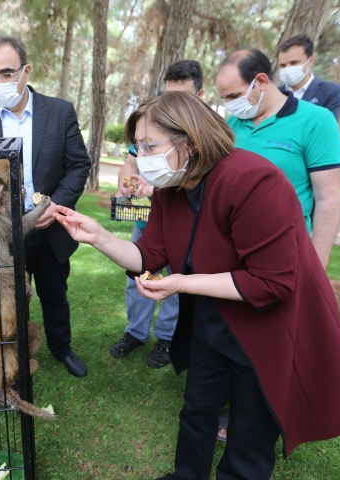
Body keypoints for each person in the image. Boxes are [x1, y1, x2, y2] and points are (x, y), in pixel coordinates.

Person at [54, 91, 340, 479]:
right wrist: (100, 237)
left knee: (250, 436)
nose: (141, 156)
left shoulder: (253, 180)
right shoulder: (174, 187)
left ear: (190, 139)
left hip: (264, 329)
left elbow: (272, 282)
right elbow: (149, 256)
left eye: (150, 145)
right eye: (137, 146)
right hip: (212, 321)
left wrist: (183, 283)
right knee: (197, 408)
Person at [0, 35, 91, 378]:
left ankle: (61, 348)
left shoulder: (59, 112)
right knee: (3, 295)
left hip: (48, 225)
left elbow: (78, 165)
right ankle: (8, 351)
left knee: (54, 293)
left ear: (26, 71)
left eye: (7, 72)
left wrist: (55, 205)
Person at [111, 60, 205, 368]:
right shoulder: (150, 126)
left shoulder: (202, 136)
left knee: (176, 282)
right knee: (138, 276)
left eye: (182, 99)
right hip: (145, 220)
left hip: (181, 226)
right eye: (167, 96)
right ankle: (135, 332)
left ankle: (167, 338)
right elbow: (132, 161)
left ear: (199, 97)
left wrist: (162, 188)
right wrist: (130, 182)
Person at [215, 48, 340, 270]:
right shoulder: (231, 126)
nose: (229, 104)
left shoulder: (317, 121)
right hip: (228, 249)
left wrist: (317, 264)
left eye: (234, 96)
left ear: (262, 81)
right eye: (224, 97)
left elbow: (328, 198)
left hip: (282, 250)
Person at [277, 34, 340, 120]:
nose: (288, 69)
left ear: (310, 61)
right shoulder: (275, 94)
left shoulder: (331, 92)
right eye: (283, 65)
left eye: (294, 63)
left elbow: (326, 129)